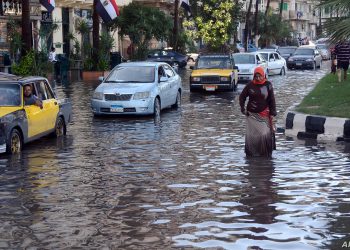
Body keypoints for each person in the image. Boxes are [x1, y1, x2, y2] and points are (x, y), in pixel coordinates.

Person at [239, 66, 277, 158]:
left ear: (263, 75)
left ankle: (265, 154)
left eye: (260, 76)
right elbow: (242, 97)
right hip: (251, 115)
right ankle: (252, 153)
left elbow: (272, 100)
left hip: (264, 114)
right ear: (254, 76)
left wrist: (272, 113)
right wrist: (243, 109)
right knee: (253, 135)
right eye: (256, 76)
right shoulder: (250, 85)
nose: (258, 78)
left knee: (264, 133)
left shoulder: (268, 85)